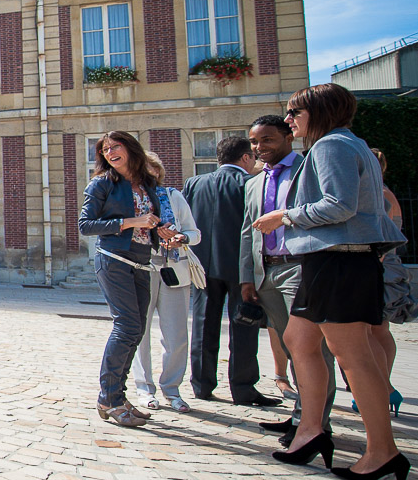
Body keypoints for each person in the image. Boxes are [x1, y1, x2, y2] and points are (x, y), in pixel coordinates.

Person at [254, 83, 410, 480]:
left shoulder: (331, 146)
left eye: (294, 113)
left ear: (318, 112)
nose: (289, 121)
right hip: (333, 260)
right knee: (299, 341)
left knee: (353, 355)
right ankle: (310, 430)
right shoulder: (346, 143)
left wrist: (285, 216)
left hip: (340, 260)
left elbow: (339, 205)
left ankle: (383, 451)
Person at [239, 115, 333, 446]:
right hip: (267, 272)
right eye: (254, 142)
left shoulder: (310, 170)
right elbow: (247, 231)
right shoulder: (253, 183)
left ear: (287, 137)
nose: (259, 147)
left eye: (267, 140)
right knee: (291, 347)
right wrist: (246, 277)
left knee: (312, 348)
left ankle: (318, 423)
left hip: (301, 266)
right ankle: (301, 415)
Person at [79, 131, 183, 428]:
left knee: (136, 330)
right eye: (105, 150)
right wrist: (130, 222)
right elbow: (86, 225)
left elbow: (153, 220)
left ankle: (118, 395)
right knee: (126, 326)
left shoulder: (148, 184)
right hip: (113, 260)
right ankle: (107, 398)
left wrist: (162, 231)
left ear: (130, 149)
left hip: (141, 260)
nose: (110, 153)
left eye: (116, 147)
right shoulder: (101, 184)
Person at [182, 137, 278, 406]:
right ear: (246, 158)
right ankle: (243, 388)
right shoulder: (251, 183)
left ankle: (201, 385)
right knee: (244, 326)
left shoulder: (194, 183)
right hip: (240, 266)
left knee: (202, 324)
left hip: (202, 266)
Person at [131, 153, 200, 413]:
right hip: (141, 269)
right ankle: (144, 388)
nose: (147, 175)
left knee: (177, 336)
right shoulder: (130, 200)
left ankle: (172, 389)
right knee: (140, 333)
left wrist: (180, 237)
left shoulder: (174, 196)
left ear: (158, 172)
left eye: (152, 170)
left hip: (174, 269)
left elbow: (195, 233)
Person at [367, 148, 408, 417]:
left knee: (376, 330)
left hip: (380, 266)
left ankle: (384, 386)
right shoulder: (382, 192)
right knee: (378, 330)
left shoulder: (381, 195)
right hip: (385, 265)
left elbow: (386, 237)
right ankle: (383, 387)